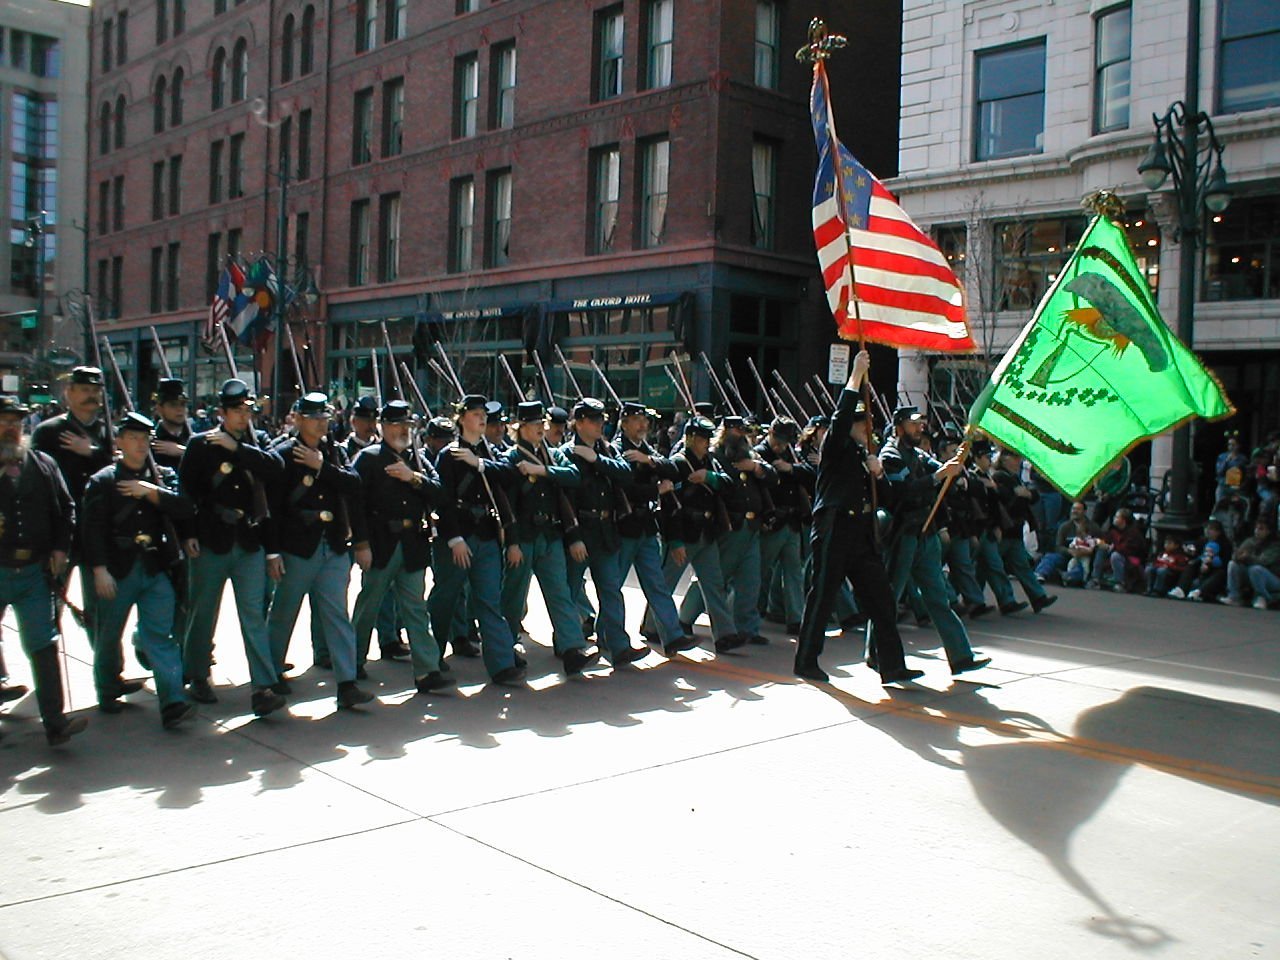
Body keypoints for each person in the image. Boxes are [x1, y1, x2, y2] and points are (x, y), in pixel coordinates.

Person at [793, 352, 925, 685]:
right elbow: (838, 419)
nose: (868, 430)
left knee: (882, 600)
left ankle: (891, 665)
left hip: (861, 534)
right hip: (835, 528)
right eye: (862, 424)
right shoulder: (836, 446)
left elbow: (890, 499)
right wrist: (855, 376)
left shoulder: (864, 456)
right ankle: (806, 660)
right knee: (822, 597)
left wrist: (878, 474)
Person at [179, 379, 287, 716]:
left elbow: (276, 471)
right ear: (222, 413)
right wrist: (188, 534)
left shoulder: (258, 444)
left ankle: (263, 686)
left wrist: (237, 447)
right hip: (212, 539)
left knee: (253, 614)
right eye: (237, 411)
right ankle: (197, 673)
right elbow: (187, 494)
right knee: (203, 611)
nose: (244, 417)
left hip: (249, 541)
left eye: (247, 411)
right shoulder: (200, 444)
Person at [82, 412, 197, 727]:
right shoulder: (104, 481)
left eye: (144, 438)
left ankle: (173, 701)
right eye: (132, 437)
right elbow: (91, 530)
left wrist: (151, 491)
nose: (139, 444)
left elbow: (186, 508)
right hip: (118, 568)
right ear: (119, 441)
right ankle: (108, 690)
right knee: (108, 635)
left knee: (160, 636)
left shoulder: (161, 476)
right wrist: (99, 570)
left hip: (154, 565)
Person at [264, 393, 376, 708]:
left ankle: (346, 684)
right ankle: (270, 676)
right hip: (296, 547)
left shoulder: (334, 452)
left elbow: (353, 486)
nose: (320, 423)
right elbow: (270, 508)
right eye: (314, 418)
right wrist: (272, 552)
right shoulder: (283, 455)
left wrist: (322, 467)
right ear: (298, 419)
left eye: (324, 417)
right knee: (284, 613)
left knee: (337, 615)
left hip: (333, 545)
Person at [870, 403, 991, 675]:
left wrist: (957, 462)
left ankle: (961, 656)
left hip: (925, 532)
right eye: (913, 423)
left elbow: (942, 468)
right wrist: (939, 475)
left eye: (920, 423)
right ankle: (875, 653)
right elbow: (904, 491)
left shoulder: (917, 454)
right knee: (889, 597)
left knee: (938, 597)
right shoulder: (890, 455)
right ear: (899, 426)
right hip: (902, 536)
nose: (919, 427)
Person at [0, 396, 87, 745]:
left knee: (44, 644)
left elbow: (66, 508)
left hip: (34, 571)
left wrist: (60, 548)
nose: (10, 427)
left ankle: (55, 722)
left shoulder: (42, 463)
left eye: (15, 422)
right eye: (4, 420)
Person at [428, 394, 527, 684]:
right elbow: (443, 501)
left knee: (489, 601)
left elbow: (510, 477)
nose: (482, 418)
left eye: (484, 413)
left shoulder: (489, 452)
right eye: (475, 414)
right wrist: (454, 538)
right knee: (445, 597)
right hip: (458, 534)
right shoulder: (449, 454)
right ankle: (431, 657)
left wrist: (480, 463)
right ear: (461, 418)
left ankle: (501, 664)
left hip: (485, 534)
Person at [499, 400, 601, 674]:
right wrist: (512, 542)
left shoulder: (552, 456)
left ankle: (571, 648)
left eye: (541, 424)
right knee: (513, 596)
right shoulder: (510, 458)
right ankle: (505, 648)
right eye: (533, 425)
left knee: (560, 593)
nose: (540, 429)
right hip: (524, 535)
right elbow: (506, 505)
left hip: (549, 534)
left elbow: (573, 475)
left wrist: (540, 471)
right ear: (520, 428)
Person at [559, 398, 651, 667]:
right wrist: (573, 535)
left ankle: (618, 646)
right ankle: (569, 645)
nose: (601, 424)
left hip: (606, 531)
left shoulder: (606, 451)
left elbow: (626, 474)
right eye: (595, 420)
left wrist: (597, 460)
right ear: (579, 422)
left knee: (611, 591)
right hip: (581, 529)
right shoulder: (566, 453)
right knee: (571, 591)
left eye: (602, 420)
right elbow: (565, 500)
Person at [33, 366, 114, 644]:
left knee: (102, 609)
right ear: (69, 393)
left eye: (95, 391)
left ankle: (108, 675)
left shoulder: (109, 435)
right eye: (84, 390)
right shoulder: (48, 432)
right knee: (50, 604)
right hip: (60, 531)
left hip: (99, 532)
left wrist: (91, 452)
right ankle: (50, 677)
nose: (91, 396)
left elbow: (120, 473)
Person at [613, 402, 699, 657]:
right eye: (638, 420)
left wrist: (649, 460)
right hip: (626, 526)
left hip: (646, 528)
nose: (643, 425)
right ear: (625, 422)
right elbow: (626, 487)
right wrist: (656, 490)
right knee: (613, 586)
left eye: (645, 420)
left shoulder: (645, 450)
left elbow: (674, 468)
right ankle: (608, 635)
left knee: (657, 584)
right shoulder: (619, 450)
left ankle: (672, 636)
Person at [657, 416, 740, 651]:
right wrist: (675, 540)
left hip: (706, 532)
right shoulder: (678, 463)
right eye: (702, 437)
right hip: (684, 532)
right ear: (691, 437)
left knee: (714, 585)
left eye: (708, 438)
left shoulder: (710, 461)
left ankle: (724, 635)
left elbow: (729, 484)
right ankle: (653, 627)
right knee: (664, 586)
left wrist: (709, 477)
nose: (706, 442)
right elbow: (670, 505)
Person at [755, 416, 811, 635]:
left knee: (794, 572)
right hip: (772, 521)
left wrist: (791, 469)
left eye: (785, 441)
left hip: (792, 521)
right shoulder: (759, 454)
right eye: (778, 439)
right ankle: (753, 614)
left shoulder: (792, 455)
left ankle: (795, 618)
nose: (780, 445)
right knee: (761, 572)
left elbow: (810, 475)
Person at [990, 448, 1056, 613]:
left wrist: (1025, 494)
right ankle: (977, 599)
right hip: (1004, 528)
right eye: (1014, 457)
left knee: (1021, 565)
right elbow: (1002, 499)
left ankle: (1037, 597)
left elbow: (1033, 496)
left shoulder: (1014, 478)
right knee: (990, 567)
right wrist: (1020, 494)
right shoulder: (1000, 477)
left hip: (1014, 528)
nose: (1018, 461)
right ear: (1004, 459)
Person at [1169, 519, 1231, 602]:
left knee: (1220, 573)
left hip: (1217, 569)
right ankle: (1181, 589)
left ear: (1218, 532)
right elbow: (1195, 549)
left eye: (1211, 529)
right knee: (1191, 565)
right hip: (1202, 566)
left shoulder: (1225, 544)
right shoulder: (1203, 541)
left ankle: (1199, 592)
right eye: (1206, 528)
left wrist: (1210, 564)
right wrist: (1189, 549)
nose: (1207, 531)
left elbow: (1225, 562)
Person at [1225, 517, 1280, 609]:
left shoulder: (1275, 545)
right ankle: (1234, 596)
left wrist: (1248, 557)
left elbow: (1264, 561)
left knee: (1255, 569)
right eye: (1256, 528)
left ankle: (1262, 597)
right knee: (1233, 565)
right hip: (1251, 574)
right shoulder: (1250, 541)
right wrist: (1237, 557)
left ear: (1268, 531)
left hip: (1272, 578)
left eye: (1261, 529)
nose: (1257, 531)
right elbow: (1238, 554)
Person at [1092, 507, 1147, 592]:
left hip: (1129, 560)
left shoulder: (1133, 533)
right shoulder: (1114, 531)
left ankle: (1120, 582)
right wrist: (1099, 542)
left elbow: (1126, 550)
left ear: (1123, 520)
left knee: (1115, 555)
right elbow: (1105, 539)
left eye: (1117, 517)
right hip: (1116, 555)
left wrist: (1110, 547)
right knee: (1101, 550)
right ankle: (1096, 578)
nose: (1114, 518)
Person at [150, 378, 192, 471]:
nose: (179, 409)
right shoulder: (152, 441)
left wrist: (184, 452)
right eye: (173, 405)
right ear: (160, 408)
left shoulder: (194, 439)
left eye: (183, 404)